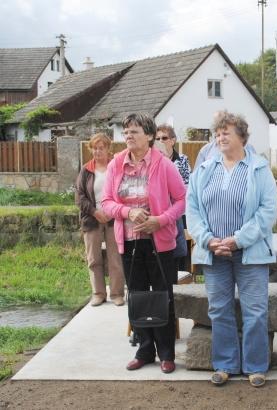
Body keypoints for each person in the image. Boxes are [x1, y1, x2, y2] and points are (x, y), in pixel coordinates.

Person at [186, 111, 277, 388]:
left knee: (255, 311)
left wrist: (237, 240)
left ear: (242, 136)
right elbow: (192, 210)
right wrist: (208, 240)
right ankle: (225, 364)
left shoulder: (259, 168)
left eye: (226, 132)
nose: (220, 137)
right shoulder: (204, 169)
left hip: (250, 254)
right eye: (217, 134)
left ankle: (255, 366)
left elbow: (268, 212)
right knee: (219, 310)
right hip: (214, 253)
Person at [102, 113, 186, 374]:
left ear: (149, 136)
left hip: (160, 243)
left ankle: (167, 354)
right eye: (126, 132)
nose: (128, 136)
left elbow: (182, 200)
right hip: (129, 242)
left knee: (163, 296)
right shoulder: (116, 164)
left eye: (134, 131)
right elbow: (106, 202)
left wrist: (160, 220)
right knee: (137, 296)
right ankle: (144, 350)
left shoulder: (164, 165)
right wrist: (128, 212)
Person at [75, 133, 125, 307]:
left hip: (113, 218)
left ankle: (117, 294)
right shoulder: (86, 170)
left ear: (108, 148)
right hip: (92, 219)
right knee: (93, 259)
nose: (97, 151)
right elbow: (79, 197)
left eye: (101, 148)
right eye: (94, 148)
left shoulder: (116, 167)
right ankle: (98, 294)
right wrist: (95, 212)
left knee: (115, 258)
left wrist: (113, 211)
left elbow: (123, 191)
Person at [157, 124, 190, 270]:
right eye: (157, 138)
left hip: (177, 212)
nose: (161, 141)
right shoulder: (152, 160)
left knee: (179, 251)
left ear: (172, 140)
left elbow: (186, 187)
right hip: (158, 212)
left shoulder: (182, 160)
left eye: (164, 138)